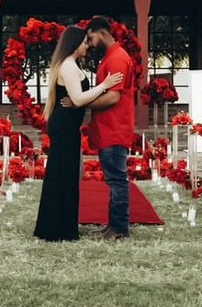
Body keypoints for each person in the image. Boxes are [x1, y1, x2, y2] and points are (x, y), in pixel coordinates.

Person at [33, 25, 123, 242]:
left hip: (66, 125)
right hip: (64, 125)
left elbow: (78, 99)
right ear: (74, 45)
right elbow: (79, 98)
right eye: (84, 42)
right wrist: (104, 85)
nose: (87, 46)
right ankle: (58, 228)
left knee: (64, 173)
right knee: (63, 174)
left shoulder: (70, 65)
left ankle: (59, 226)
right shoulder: (69, 66)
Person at [63, 16, 136, 240]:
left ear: (102, 33)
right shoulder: (111, 57)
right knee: (113, 179)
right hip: (107, 129)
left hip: (115, 129)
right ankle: (113, 225)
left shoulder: (117, 59)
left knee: (116, 180)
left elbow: (113, 97)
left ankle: (120, 229)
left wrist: (80, 102)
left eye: (91, 38)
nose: (91, 43)